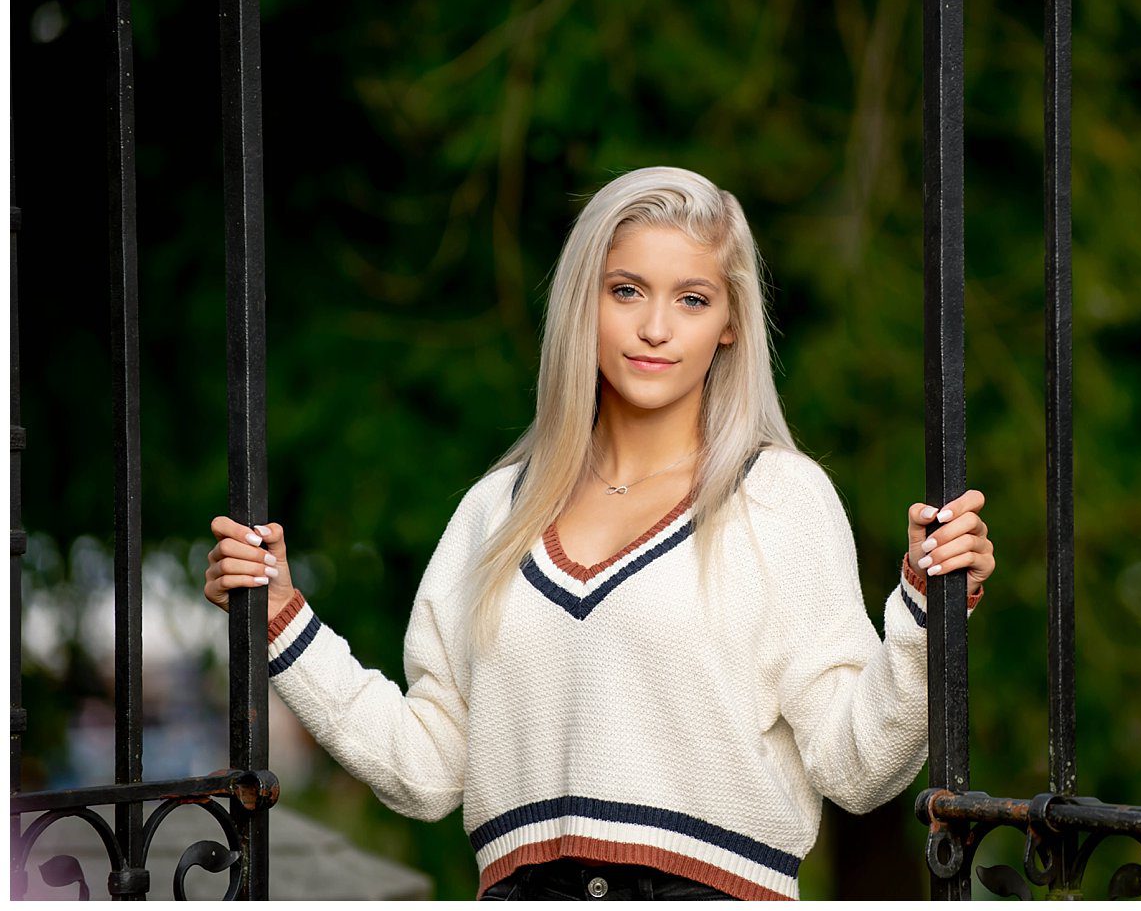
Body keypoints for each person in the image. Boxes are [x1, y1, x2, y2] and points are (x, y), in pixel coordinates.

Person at [199, 167, 995, 900]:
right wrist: (282, 622)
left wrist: (929, 612)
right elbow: (428, 766)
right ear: (586, 299)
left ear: (729, 323)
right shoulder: (494, 512)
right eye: (626, 290)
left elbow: (855, 765)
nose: (655, 326)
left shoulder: (780, 499)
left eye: (692, 298)